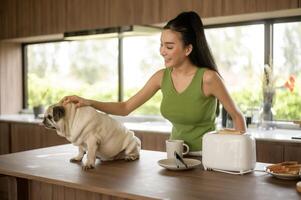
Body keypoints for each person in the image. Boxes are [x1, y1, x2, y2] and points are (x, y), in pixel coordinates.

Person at [61, 11, 246, 154]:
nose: (162, 51)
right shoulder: (161, 77)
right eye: (161, 45)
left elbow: (237, 118)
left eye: (169, 46)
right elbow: (125, 107)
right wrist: (89, 102)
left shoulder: (208, 78)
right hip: (176, 156)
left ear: (188, 48)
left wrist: (236, 158)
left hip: (208, 156)